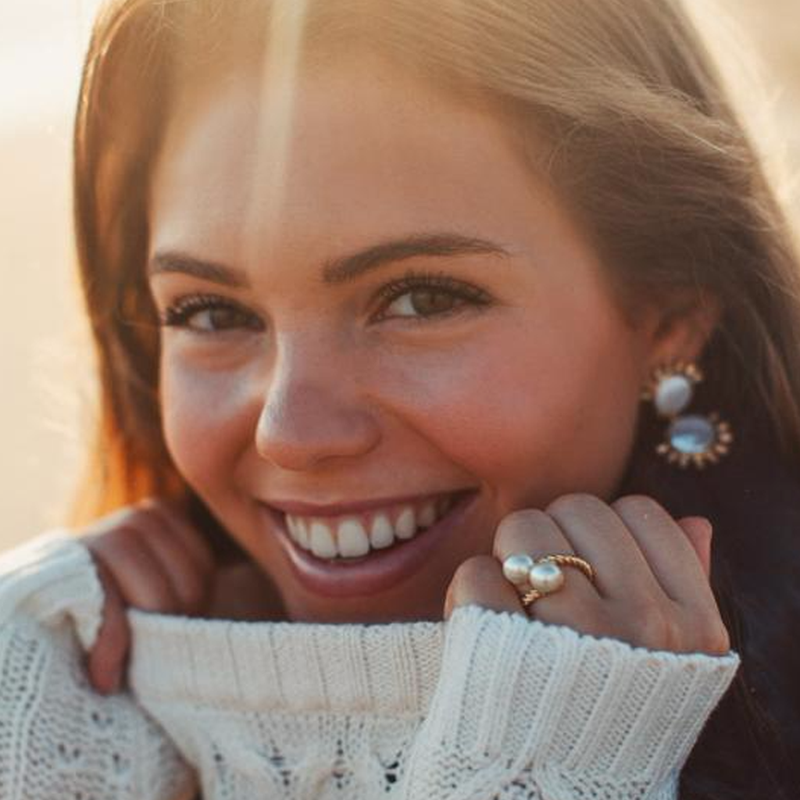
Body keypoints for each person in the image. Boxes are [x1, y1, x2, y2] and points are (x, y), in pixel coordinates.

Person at [1, 0, 799, 797]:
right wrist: (43, 729)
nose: (292, 433)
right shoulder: (80, 683)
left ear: (669, 320)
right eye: (212, 313)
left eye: (422, 299)